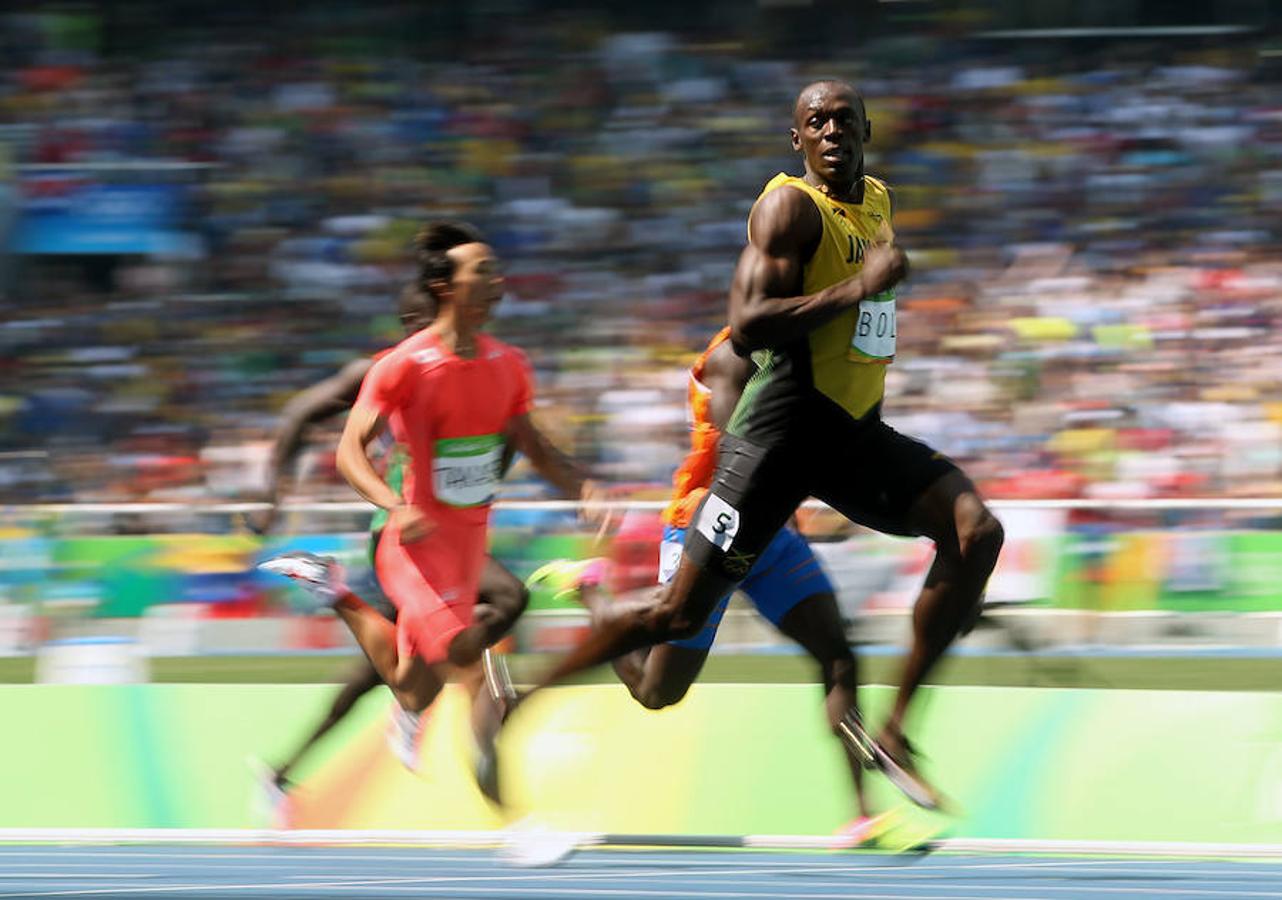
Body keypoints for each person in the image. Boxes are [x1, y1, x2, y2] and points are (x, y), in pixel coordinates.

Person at [486, 81, 1003, 810]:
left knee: (975, 532)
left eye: (843, 121)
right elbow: (751, 323)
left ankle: (893, 733)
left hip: (853, 438)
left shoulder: (877, 202)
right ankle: (521, 700)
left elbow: (866, 334)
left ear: (867, 131)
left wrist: (957, 600)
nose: (830, 131)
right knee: (675, 618)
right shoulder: (787, 207)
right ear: (796, 139)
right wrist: (862, 287)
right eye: (814, 122)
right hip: (780, 440)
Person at [267, 221, 593, 802]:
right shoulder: (393, 367)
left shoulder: (504, 365)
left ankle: (333, 593)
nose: (497, 283)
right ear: (442, 295)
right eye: (482, 272)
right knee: (471, 656)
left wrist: (577, 482)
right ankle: (516, 823)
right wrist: (282, 492)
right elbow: (318, 428)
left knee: (402, 682)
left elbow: (525, 437)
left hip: (460, 542)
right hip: (401, 535)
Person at [531, 325, 882, 842]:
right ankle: (592, 593)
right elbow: (745, 456)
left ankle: (862, 816)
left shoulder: (805, 353)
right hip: (707, 528)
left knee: (838, 654)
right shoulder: (729, 358)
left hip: (774, 532)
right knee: (656, 692)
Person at [249, 284, 530, 813]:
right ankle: (493, 778)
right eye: (440, 320)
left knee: (371, 679)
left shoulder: (472, 368)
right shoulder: (380, 371)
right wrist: (272, 496)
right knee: (503, 602)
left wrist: (483, 481)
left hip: (444, 537)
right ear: (412, 321)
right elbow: (296, 419)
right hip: (404, 539)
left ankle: (280, 774)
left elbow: (510, 436)